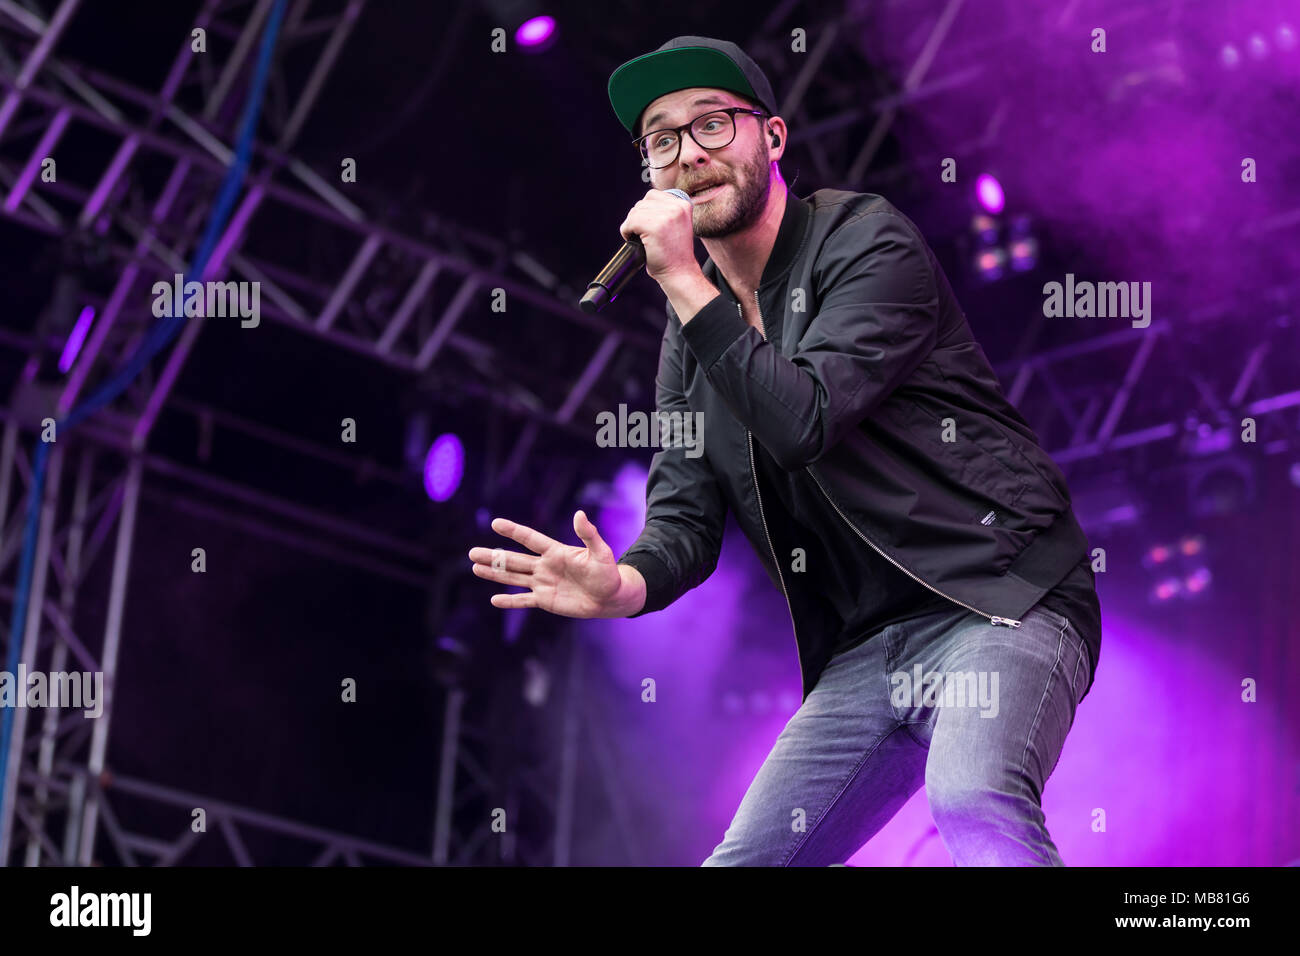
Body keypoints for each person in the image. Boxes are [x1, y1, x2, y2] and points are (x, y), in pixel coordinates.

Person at [468, 36, 1101, 866]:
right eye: (663, 139)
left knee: (971, 796)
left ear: (771, 138)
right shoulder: (688, 333)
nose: (689, 153)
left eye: (713, 126)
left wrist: (686, 284)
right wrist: (623, 584)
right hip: (864, 652)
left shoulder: (866, 241)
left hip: (998, 597)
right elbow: (685, 517)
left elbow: (804, 417)